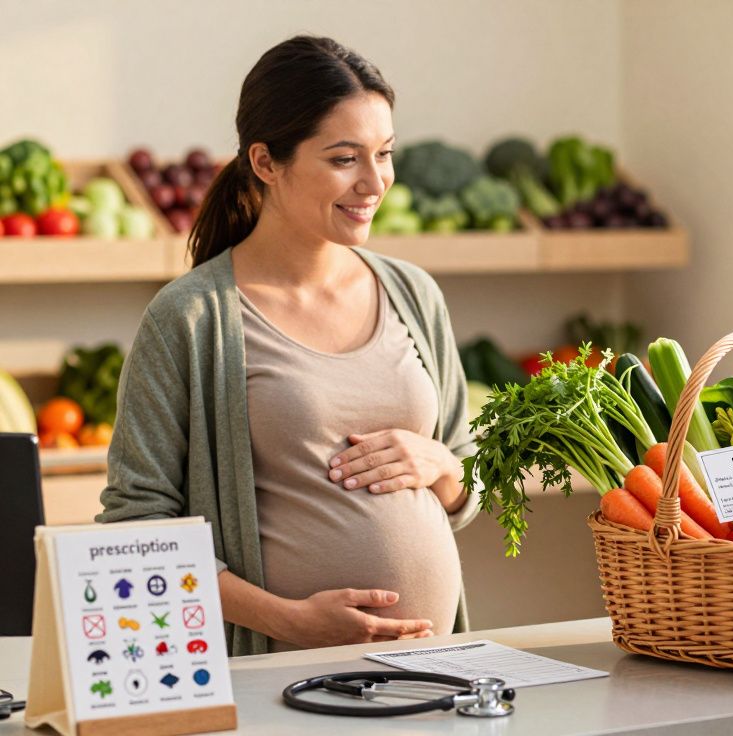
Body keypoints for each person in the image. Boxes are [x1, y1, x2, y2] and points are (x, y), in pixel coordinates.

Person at [98, 36, 478, 656]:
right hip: (278, 678)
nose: (374, 182)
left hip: (432, 668)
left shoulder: (414, 292)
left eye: (384, 154)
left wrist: (441, 465)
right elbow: (136, 525)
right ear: (267, 162)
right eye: (343, 159)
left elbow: (466, 482)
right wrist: (286, 620)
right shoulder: (190, 317)